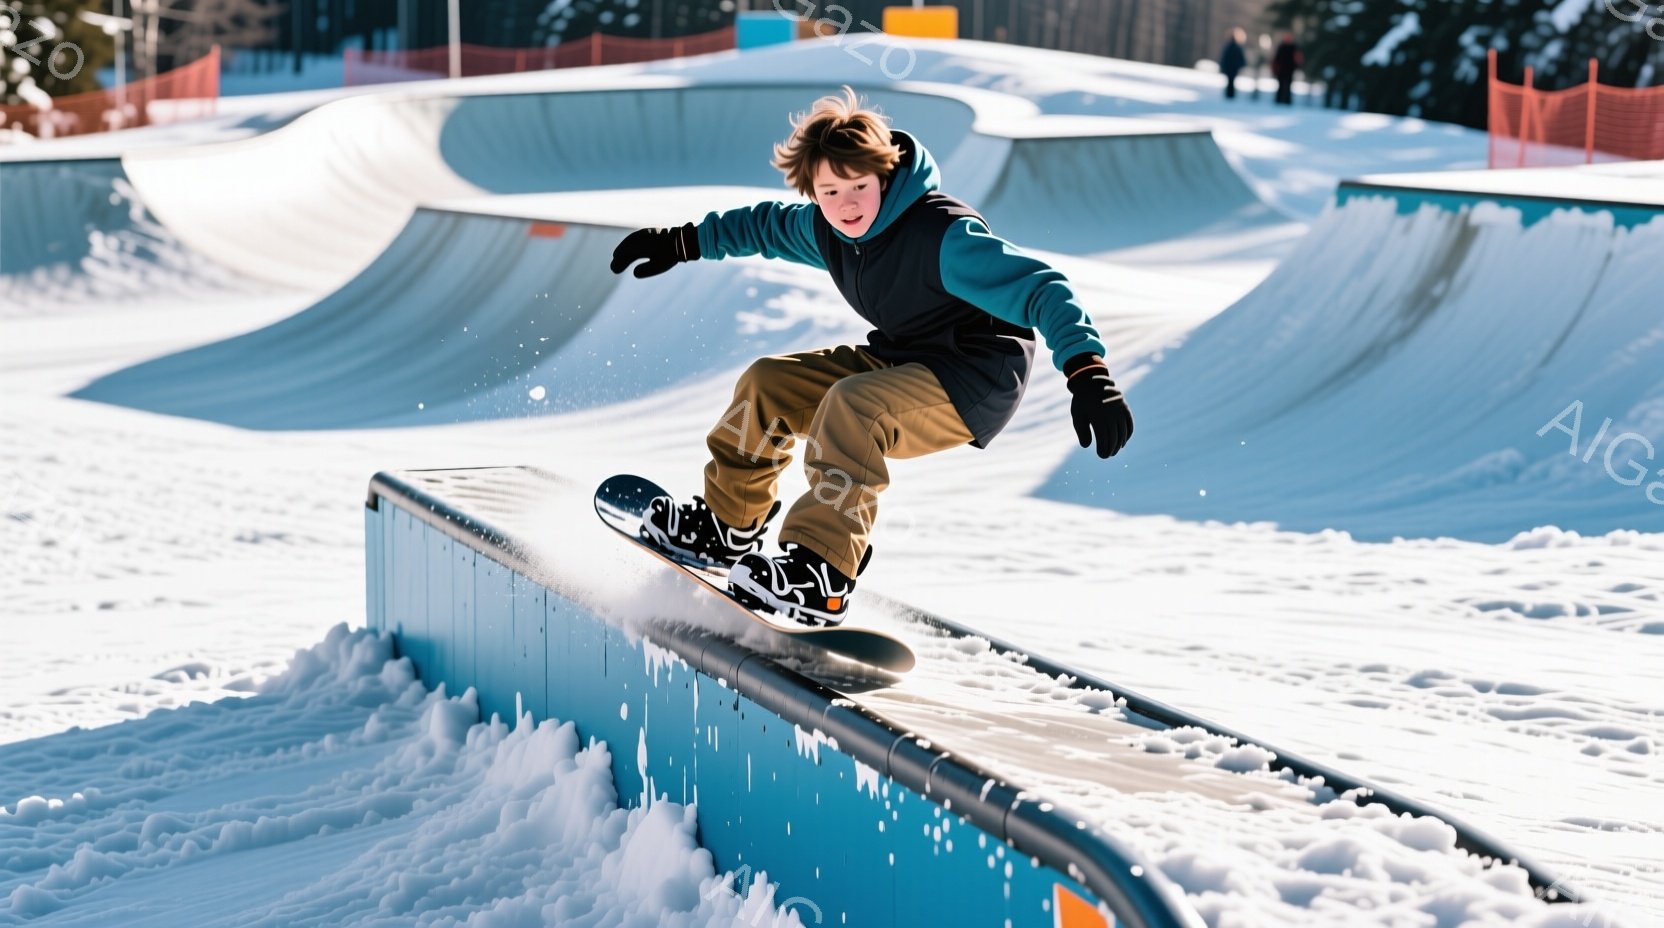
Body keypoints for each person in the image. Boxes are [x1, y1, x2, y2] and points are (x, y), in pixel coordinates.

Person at [608, 87, 1134, 627]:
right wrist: (681, 241)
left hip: (973, 378)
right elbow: (762, 226)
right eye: (830, 191)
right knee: (768, 384)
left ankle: (823, 569)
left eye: (860, 186)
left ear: (884, 175)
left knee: (852, 407)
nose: (847, 205)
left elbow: (1042, 288)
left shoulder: (942, 236)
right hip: (903, 360)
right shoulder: (826, 228)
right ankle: (729, 523)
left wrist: (1088, 374)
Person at [1272, 31, 1302, 106]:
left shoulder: (1294, 47)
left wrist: (1297, 66)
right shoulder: (1281, 47)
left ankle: (1287, 102)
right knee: (1280, 86)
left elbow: (1298, 58)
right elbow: (1276, 59)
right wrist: (1275, 69)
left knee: (1288, 86)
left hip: (1290, 70)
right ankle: (1278, 101)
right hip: (1281, 70)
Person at [1219, 28, 1247, 100]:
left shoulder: (1231, 46)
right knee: (1231, 81)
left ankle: (1230, 94)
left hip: (1231, 68)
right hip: (1233, 68)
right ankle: (1230, 94)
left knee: (1230, 81)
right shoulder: (1235, 47)